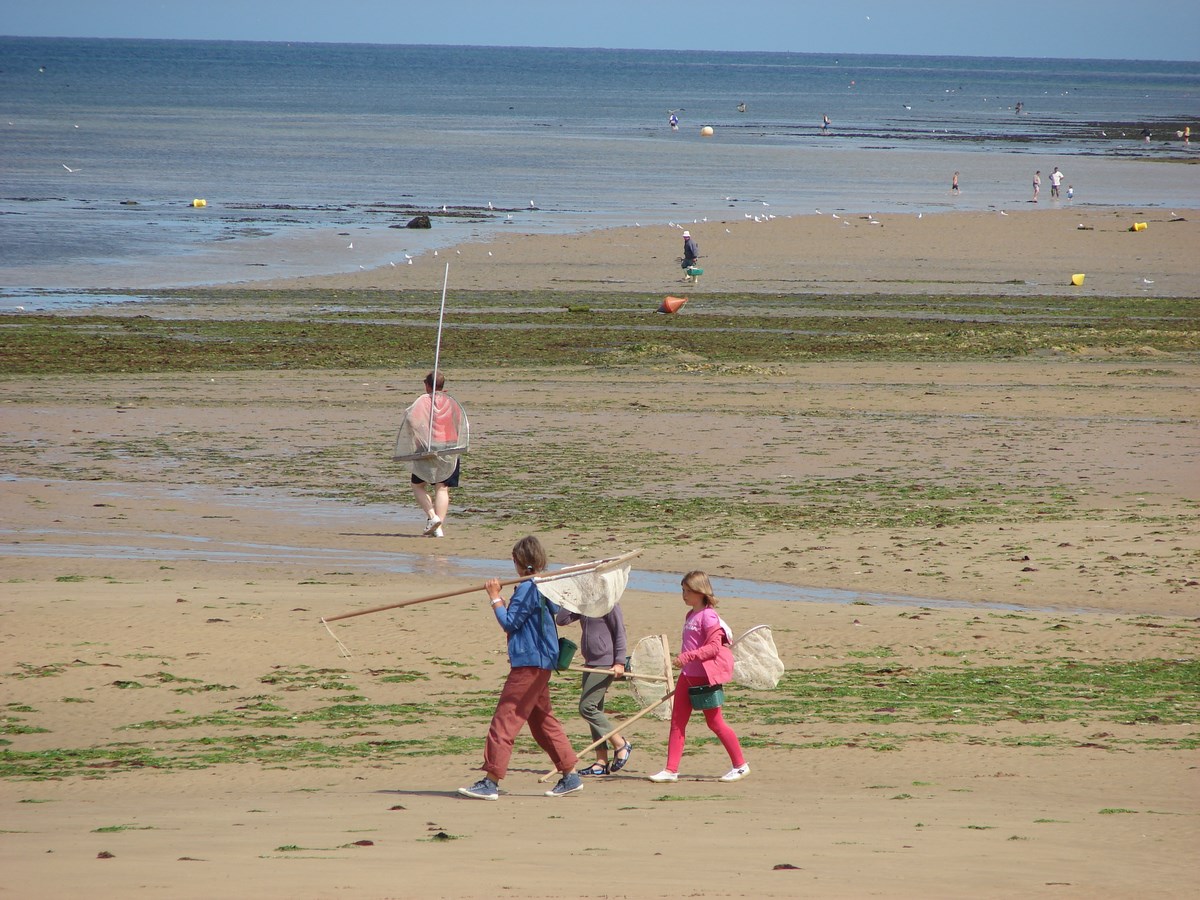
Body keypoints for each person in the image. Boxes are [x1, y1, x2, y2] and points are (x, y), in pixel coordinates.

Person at [459, 536, 583, 800]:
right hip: (541, 662)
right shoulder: (542, 584)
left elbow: (510, 623)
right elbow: (553, 608)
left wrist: (495, 599)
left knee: (505, 719)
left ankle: (491, 780)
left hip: (529, 663)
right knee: (542, 721)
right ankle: (570, 775)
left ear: (518, 562)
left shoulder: (529, 587)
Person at [648, 571, 750, 784]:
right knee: (677, 722)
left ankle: (740, 766)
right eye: (682, 590)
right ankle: (670, 770)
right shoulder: (690, 615)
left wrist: (687, 656)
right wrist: (685, 661)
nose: (683, 595)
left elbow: (713, 648)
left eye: (687, 590)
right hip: (687, 676)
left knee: (715, 723)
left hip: (705, 677)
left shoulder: (709, 616)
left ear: (700, 591)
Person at [555, 602, 632, 776]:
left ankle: (621, 744)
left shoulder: (609, 603)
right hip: (590, 662)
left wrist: (619, 662)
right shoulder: (585, 603)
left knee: (587, 708)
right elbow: (562, 619)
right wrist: (571, 599)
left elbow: (620, 632)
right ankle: (601, 761)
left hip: (606, 663)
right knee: (596, 710)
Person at [408, 371, 459, 537]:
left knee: (417, 485)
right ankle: (438, 526)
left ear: (427, 385)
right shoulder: (451, 402)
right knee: (442, 488)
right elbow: (458, 422)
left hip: (428, 446)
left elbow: (412, 421)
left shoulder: (424, 401)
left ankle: (433, 518)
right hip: (450, 446)